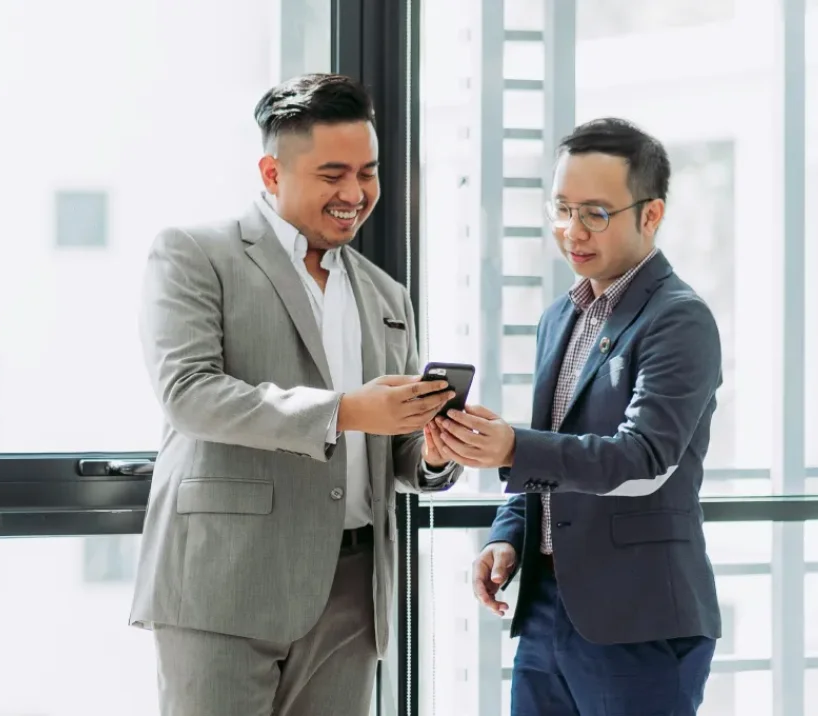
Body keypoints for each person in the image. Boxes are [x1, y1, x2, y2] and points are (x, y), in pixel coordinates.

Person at [129, 73, 462, 716]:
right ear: (272, 172)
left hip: (354, 590)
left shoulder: (387, 295)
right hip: (226, 582)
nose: (354, 194)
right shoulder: (195, 254)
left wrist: (435, 449)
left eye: (367, 173)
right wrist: (347, 410)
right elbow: (189, 393)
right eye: (332, 174)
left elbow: (395, 453)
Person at [427, 118, 722, 715]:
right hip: (545, 609)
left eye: (595, 213)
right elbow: (554, 453)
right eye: (561, 209)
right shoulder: (561, 317)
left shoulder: (679, 319)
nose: (572, 231)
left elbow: (643, 458)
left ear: (651, 214)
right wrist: (508, 534)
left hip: (637, 619)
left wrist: (512, 448)